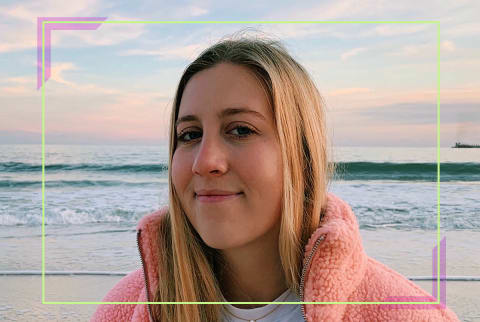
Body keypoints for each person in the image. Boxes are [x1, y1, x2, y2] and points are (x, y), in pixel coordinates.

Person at [91, 31, 459, 322]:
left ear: (301, 154)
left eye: (240, 130)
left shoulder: (405, 313)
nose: (205, 162)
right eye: (189, 135)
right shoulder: (124, 309)